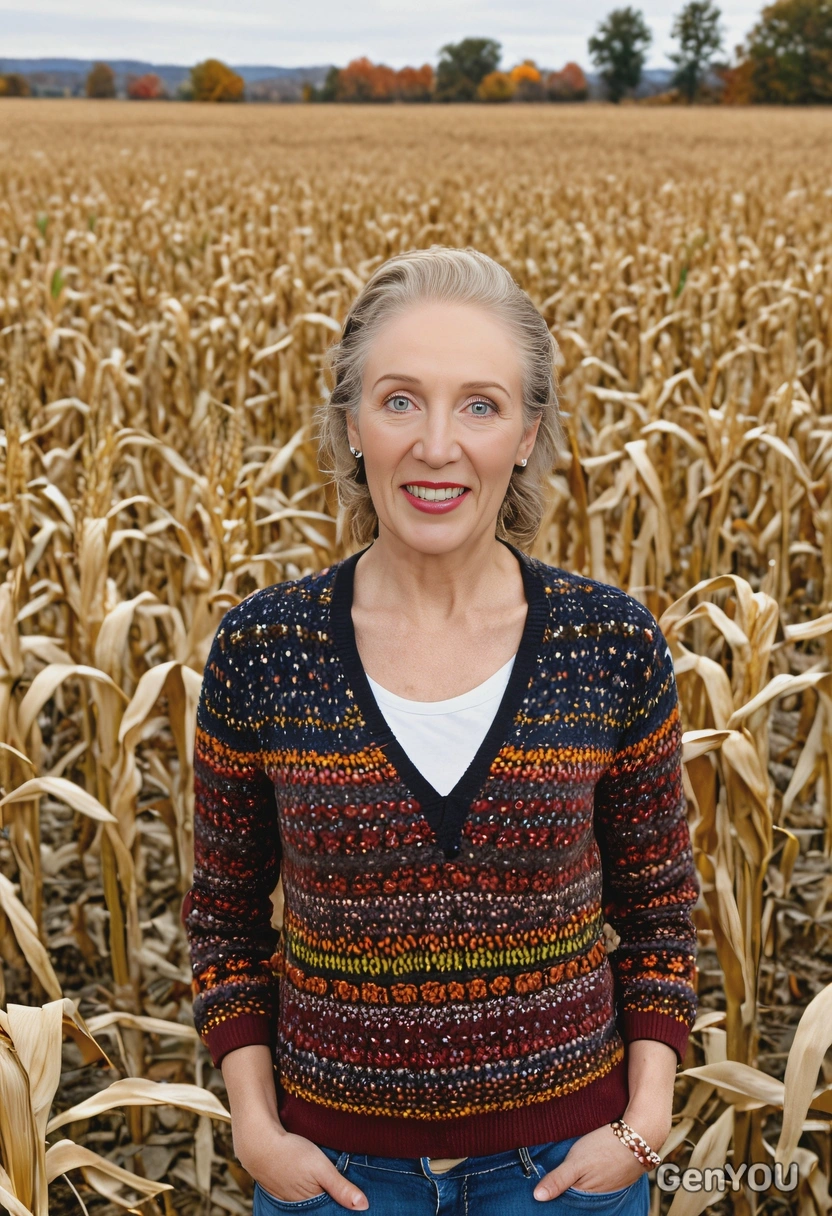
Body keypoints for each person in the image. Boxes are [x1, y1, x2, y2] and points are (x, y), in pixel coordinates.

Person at [181, 245, 699, 1215]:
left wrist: (643, 1122)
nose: (435, 444)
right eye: (400, 400)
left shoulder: (608, 643)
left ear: (527, 432)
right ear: (351, 423)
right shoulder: (265, 648)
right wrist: (256, 1129)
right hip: (333, 1180)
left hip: (564, 1175)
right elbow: (223, 919)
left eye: (479, 404)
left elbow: (661, 908)